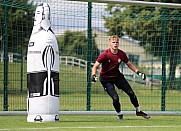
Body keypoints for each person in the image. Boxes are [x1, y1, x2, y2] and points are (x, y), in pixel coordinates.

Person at [91, 35, 150, 120]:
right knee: (115, 98)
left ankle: (138, 111)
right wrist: (93, 75)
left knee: (131, 93)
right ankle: (119, 114)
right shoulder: (105, 54)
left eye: (117, 42)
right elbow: (95, 66)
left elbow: (129, 64)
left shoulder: (121, 54)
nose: (115, 44)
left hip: (118, 77)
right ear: (109, 44)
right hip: (106, 79)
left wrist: (139, 73)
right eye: (113, 42)